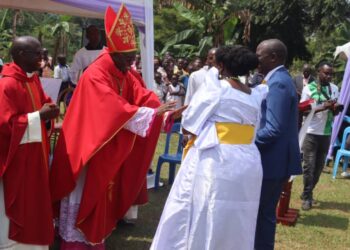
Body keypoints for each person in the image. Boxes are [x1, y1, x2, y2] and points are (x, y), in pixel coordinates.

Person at [50, 5, 178, 249]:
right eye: (128, 58)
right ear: (114, 52)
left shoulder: (123, 70)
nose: (132, 64)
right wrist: (147, 113)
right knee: (84, 191)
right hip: (87, 147)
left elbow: (142, 93)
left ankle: (94, 236)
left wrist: (160, 108)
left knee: (102, 193)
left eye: (133, 58)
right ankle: (74, 241)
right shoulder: (96, 73)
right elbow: (109, 106)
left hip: (105, 144)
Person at [151, 45, 268, 250]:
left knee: (209, 209)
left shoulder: (218, 88)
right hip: (248, 160)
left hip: (219, 158)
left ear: (221, 66)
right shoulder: (256, 94)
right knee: (239, 215)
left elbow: (190, 122)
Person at [0, 36, 60, 249]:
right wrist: (37, 117)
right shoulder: (7, 84)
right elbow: (4, 127)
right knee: (19, 207)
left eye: (43, 53)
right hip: (17, 161)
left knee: (35, 202)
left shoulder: (32, 79)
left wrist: (50, 110)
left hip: (36, 155)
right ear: (20, 55)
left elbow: (43, 103)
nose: (42, 58)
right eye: (38, 54)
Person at [254, 39, 302, 250]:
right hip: (273, 158)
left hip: (272, 160)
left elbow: (273, 128)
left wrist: (244, 143)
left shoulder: (279, 83)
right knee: (263, 213)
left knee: (263, 214)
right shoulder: (276, 79)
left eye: (259, 55)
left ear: (273, 57)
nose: (256, 59)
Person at [300, 61, 341, 210]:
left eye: (331, 74)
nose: (329, 76)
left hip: (326, 133)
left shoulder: (335, 89)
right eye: (326, 73)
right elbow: (303, 111)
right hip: (311, 132)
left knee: (318, 169)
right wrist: (323, 107)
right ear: (319, 72)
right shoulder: (309, 89)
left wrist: (336, 109)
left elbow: (334, 111)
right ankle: (307, 196)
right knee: (309, 168)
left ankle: (308, 192)